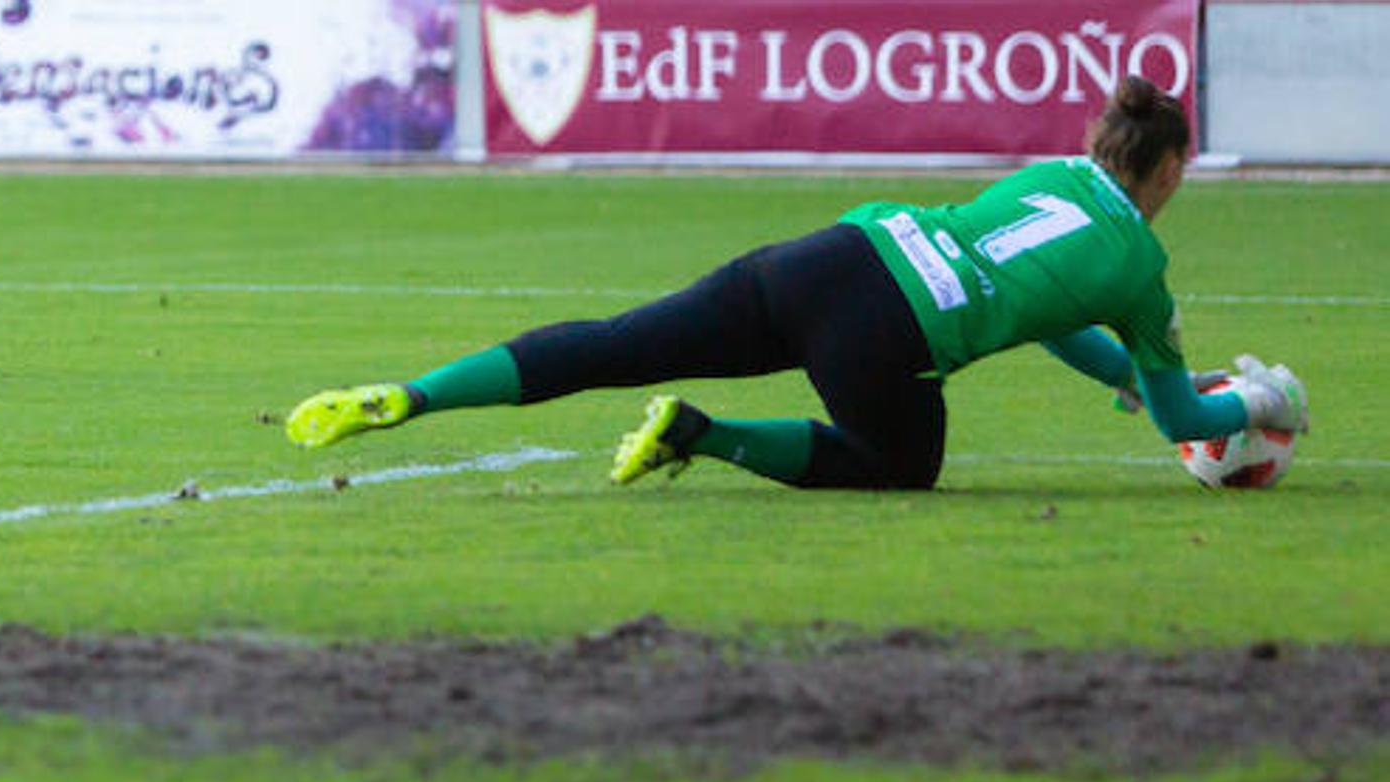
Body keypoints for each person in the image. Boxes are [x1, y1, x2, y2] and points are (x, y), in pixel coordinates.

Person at [284, 77, 1308, 490]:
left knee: (612, 340)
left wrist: (1116, 373)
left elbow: (1049, 311)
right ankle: (700, 435)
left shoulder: (1052, 177)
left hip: (826, 258)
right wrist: (1255, 401)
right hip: (889, 331)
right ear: (1169, 170)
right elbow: (1181, 410)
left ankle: (407, 396)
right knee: (898, 467)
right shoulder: (1142, 268)